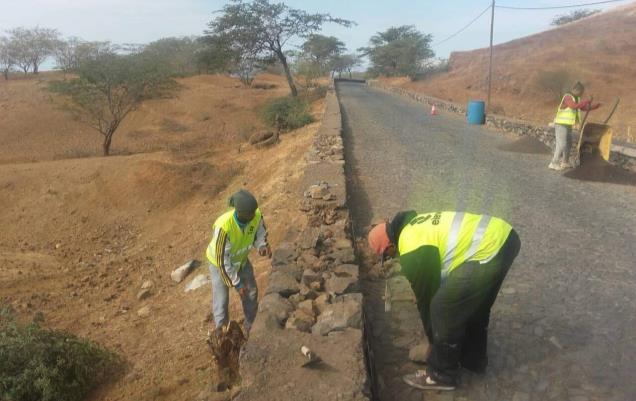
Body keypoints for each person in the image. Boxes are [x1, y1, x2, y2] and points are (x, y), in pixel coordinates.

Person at [368, 211, 521, 391]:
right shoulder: (414, 225)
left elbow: (427, 301)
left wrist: (434, 344)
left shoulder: (410, 248)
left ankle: (441, 374)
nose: (392, 258)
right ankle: (473, 360)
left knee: (443, 307)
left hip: (488, 249)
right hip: (505, 237)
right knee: (474, 307)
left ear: (389, 246)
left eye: (388, 255)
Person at [206, 189, 271, 336]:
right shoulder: (224, 227)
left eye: (255, 212)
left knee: (251, 292)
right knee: (221, 301)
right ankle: (223, 336)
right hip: (220, 265)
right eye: (251, 213)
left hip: (241, 260)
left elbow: (260, 232)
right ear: (241, 213)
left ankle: (251, 326)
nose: (255, 215)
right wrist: (237, 284)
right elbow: (223, 261)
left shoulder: (255, 216)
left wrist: (262, 245)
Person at [550, 81, 600, 170]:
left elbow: (583, 108)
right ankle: (554, 163)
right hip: (561, 124)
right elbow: (574, 106)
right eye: (581, 92)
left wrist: (595, 106)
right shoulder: (568, 97)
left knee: (568, 143)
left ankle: (565, 162)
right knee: (561, 144)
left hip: (568, 125)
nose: (582, 94)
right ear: (577, 90)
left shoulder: (576, 98)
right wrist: (586, 101)